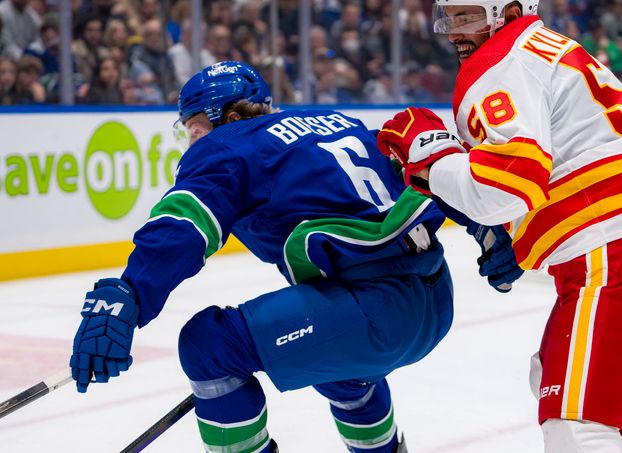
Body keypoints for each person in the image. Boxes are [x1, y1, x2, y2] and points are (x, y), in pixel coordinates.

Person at [376, 0, 622, 452]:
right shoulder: (544, 47)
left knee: (578, 426)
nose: (455, 29)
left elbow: (506, 188)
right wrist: (510, 233)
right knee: (551, 373)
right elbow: (543, 169)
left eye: (469, 15)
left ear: (510, 10)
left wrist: (431, 156)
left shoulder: (500, 60)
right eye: (450, 16)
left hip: (612, 243)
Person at [69, 61, 455, 453]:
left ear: (231, 117)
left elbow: (182, 226)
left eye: (196, 130)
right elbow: (432, 172)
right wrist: (488, 231)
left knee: (211, 345)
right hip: (435, 293)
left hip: (375, 313)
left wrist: (129, 293)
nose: (193, 143)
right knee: (339, 371)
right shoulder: (332, 119)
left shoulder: (229, 144)